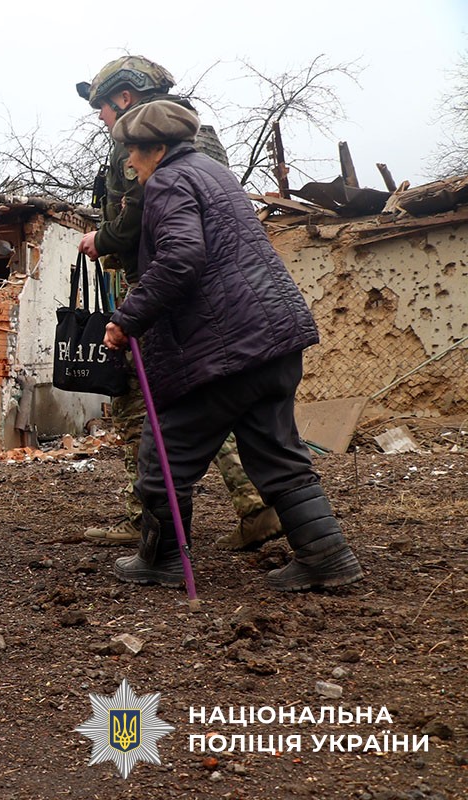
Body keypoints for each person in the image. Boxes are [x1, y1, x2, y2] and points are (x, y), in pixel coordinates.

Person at [102, 100, 364, 592]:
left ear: (157, 149)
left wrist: (126, 320)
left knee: (165, 451)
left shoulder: (168, 181)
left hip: (227, 346)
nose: (129, 164)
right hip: (273, 338)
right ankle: (327, 556)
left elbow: (181, 259)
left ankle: (160, 561)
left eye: (133, 153)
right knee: (275, 450)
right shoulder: (213, 174)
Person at [74, 55, 280, 552]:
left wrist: (101, 239)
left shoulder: (145, 144)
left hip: (158, 287)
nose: (102, 119)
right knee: (198, 399)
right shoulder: (197, 139)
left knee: (141, 400)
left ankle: (153, 521)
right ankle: (253, 503)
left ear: (124, 98)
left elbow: (142, 220)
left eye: (102, 107)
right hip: (196, 291)